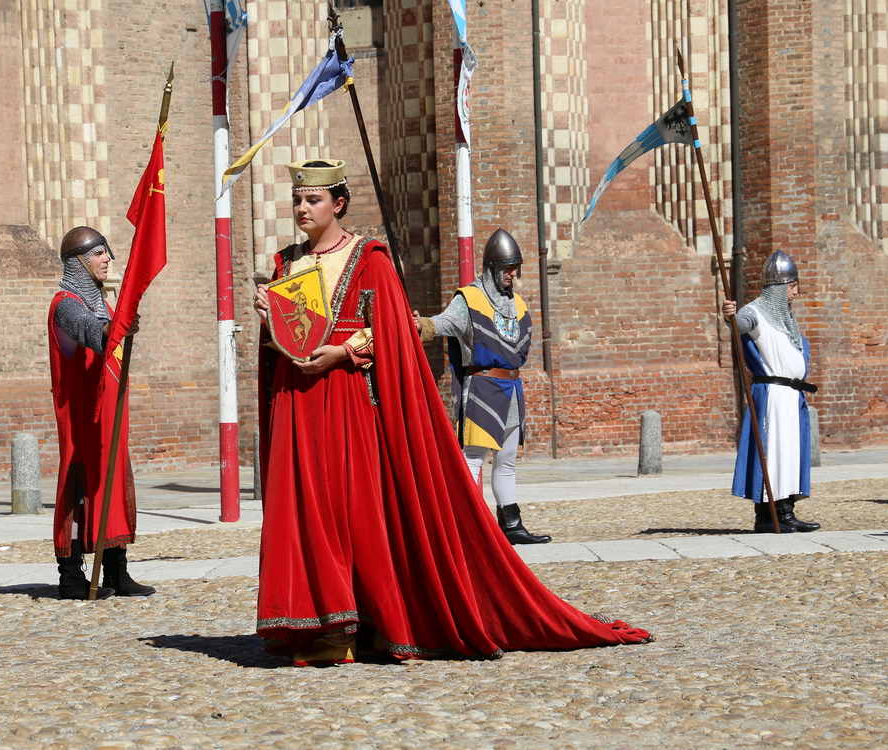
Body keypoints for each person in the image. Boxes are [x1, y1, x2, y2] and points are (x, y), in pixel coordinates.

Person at [253, 159, 650, 666]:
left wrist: (345, 351)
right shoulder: (286, 262)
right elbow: (287, 337)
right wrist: (271, 321)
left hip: (350, 399)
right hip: (298, 401)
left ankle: (361, 620)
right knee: (307, 509)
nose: (302, 208)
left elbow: (394, 332)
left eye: (313, 200)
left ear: (339, 203)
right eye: (298, 200)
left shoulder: (369, 258)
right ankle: (320, 618)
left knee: (354, 508)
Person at [414, 229, 550, 545]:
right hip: (483, 388)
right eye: (508, 267)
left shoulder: (518, 303)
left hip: (513, 389)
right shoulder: (470, 298)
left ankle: (511, 525)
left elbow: (522, 346)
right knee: (473, 457)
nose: (513, 273)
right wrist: (421, 324)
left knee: (506, 462)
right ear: (492, 268)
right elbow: (441, 324)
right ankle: (470, 527)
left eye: (515, 266)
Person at [47, 226, 156, 599]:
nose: (107, 258)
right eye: (98, 253)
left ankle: (115, 570)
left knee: (113, 481)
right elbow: (93, 333)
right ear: (77, 263)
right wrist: (117, 326)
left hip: (110, 417)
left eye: (106, 251)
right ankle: (72, 575)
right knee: (81, 491)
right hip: (82, 420)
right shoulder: (65, 304)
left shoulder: (101, 304)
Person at [722, 250, 820, 534]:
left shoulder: (786, 318)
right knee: (772, 452)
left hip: (791, 395)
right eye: (793, 286)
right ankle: (769, 515)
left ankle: (785, 509)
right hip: (773, 396)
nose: (797, 293)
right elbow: (740, 324)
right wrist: (729, 316)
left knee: (788, 453)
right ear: (780, 286)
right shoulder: (756, 312)